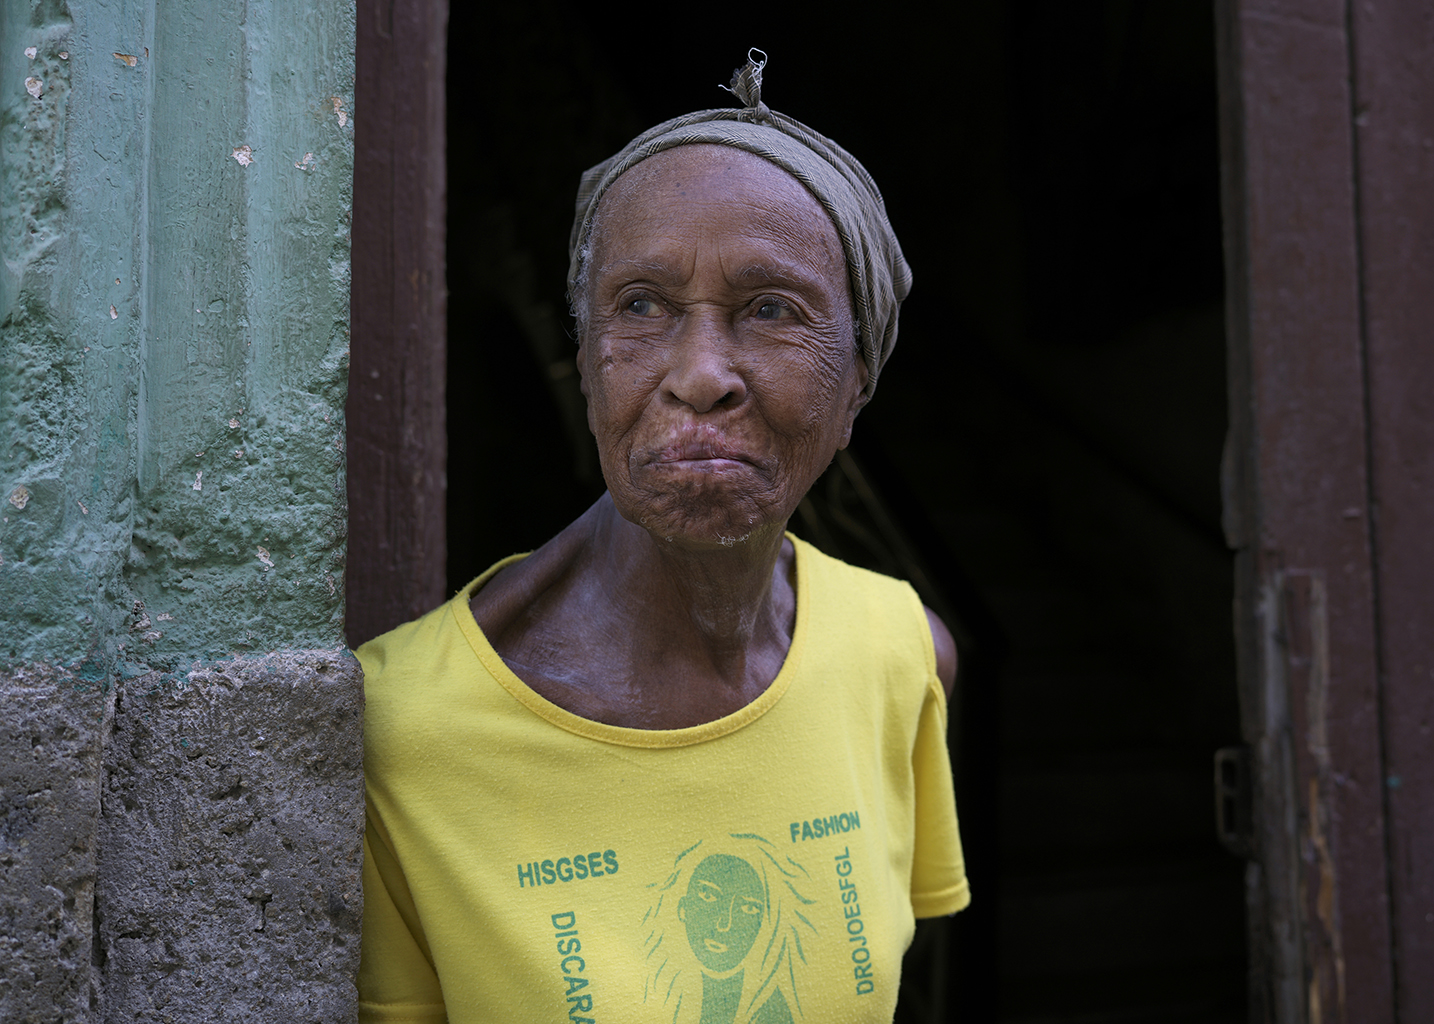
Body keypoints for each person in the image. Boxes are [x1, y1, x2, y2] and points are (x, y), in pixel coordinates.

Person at [357, 50, 970, 1024]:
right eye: (640, 305)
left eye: (771, 308)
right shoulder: (396, 731)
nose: (700, 374)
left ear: (857, 383)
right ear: (589, 364)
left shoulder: (904, 653)